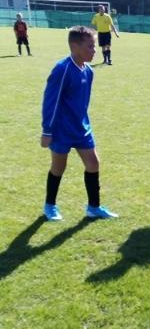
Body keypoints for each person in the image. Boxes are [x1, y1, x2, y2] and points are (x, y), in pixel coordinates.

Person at [41, 26, 118, 221]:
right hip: (61, 129)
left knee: (93, 163)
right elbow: (51, 100)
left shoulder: (89, 71)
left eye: (94, 46)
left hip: (81, 127)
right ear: (74, 46)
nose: (94, 50)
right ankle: (50, 206)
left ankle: (94, 207)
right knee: (59, 167)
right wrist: (47, 130)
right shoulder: (62, 69)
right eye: (90, 47)